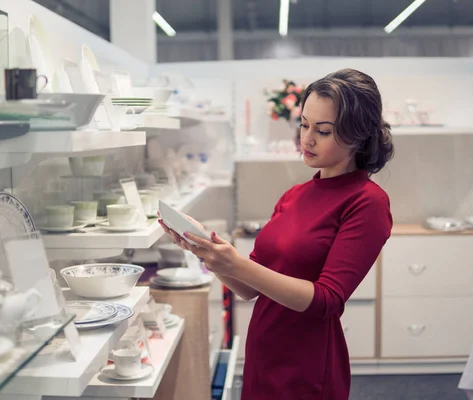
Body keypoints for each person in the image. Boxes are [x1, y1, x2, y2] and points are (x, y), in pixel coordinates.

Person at [158, 68, 394, 399]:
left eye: (323, 131)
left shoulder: (367, 202)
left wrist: (236, 264)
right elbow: (249, 290)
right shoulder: (294, 195)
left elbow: (326, 300)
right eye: (304, 124)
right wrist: (205, 251)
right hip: (264, 351)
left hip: (307, 365)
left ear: (359, 135)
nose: (306, 139)